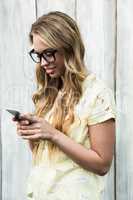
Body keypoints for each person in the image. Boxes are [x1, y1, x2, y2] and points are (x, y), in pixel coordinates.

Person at [14, 11, 116, 200]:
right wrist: (33, 132)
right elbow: (49, 159)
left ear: (68, 48)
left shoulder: (97, 93)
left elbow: (102, 164)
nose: (43, 63)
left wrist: (52, 133)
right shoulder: (50, 92)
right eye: (38, 55)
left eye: (49, 53)